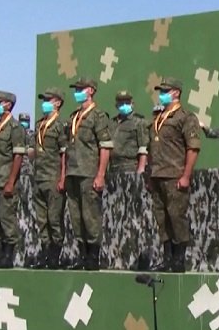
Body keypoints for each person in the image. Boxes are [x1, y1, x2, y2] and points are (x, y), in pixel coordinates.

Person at [148, 77, 201, 272]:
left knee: (176, 216)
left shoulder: (185, 117)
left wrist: (186, 175)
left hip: (175, 175)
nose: (161, 95)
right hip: (157, 174)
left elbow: (193, 148)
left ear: (176, 93)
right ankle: (167, 257)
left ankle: (179, 259)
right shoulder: (158, 118)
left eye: (165, 91)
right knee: (161, 218)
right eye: (161, 91)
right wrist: (149, 175)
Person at [64, 77, 113, 270]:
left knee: (90, 216)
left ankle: (93, 256)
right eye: (76, 89)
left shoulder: (98, 116)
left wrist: (100, 175)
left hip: (89, 172)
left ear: (91, 91)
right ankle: (82, 255)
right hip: (73, 172)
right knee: (76, 217)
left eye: (81, 89)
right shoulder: (74, 116)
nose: (77, 92)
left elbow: (105, 147)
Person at [0, 90, 26, 269]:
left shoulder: (15, 128)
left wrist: (11, 181)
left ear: (8, 104)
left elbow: (18, 156)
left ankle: (8, 256)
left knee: (7, 219)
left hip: (5, 180)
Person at [30, 88, 69, 269]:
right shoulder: (39, 124)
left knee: (54, 218)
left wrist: (62, 178)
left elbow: (64, 154)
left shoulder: (61, 125)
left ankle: (55, 255)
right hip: (39, 177)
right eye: (43, 100)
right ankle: (45, 252)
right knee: (42, 219)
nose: (44, 103)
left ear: (58, 103)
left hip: (54, 177)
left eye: (48, 100)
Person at [109, 90, 149, 174]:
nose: (124, 105)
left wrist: (141, 169)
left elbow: (144, 147)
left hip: (131, 167)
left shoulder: (139, 122)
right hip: (113, 167)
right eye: (121, 103)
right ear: (116, 105)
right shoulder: (112, 122)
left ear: (132, 104)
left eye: (127, 102)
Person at [19, 113, 35, 178]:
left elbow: (31, 151)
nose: (24, 123)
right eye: (22, 120)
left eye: (26, 121)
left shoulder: (32, 134)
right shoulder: (15, 133)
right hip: (17, 166)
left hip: (28, 167)